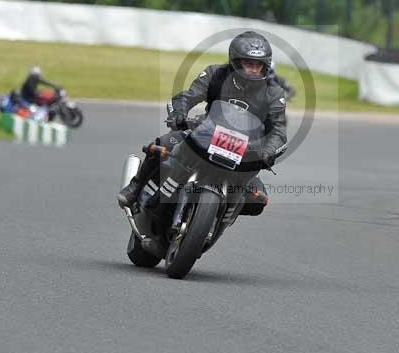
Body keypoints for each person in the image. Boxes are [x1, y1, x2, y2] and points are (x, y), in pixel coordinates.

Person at [118, 30, 288, 216]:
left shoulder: (274, 93)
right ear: (236, 62)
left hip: (245, 149)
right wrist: (179, 115)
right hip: (206, 132)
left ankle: (224, 213)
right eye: (249, 64)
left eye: (259, 65)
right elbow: (188, 96)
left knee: (258, 199)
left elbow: (278, 132)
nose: (254, 70)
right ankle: (135, 187)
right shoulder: (215, 73)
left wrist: (267, 152)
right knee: (164, 143)